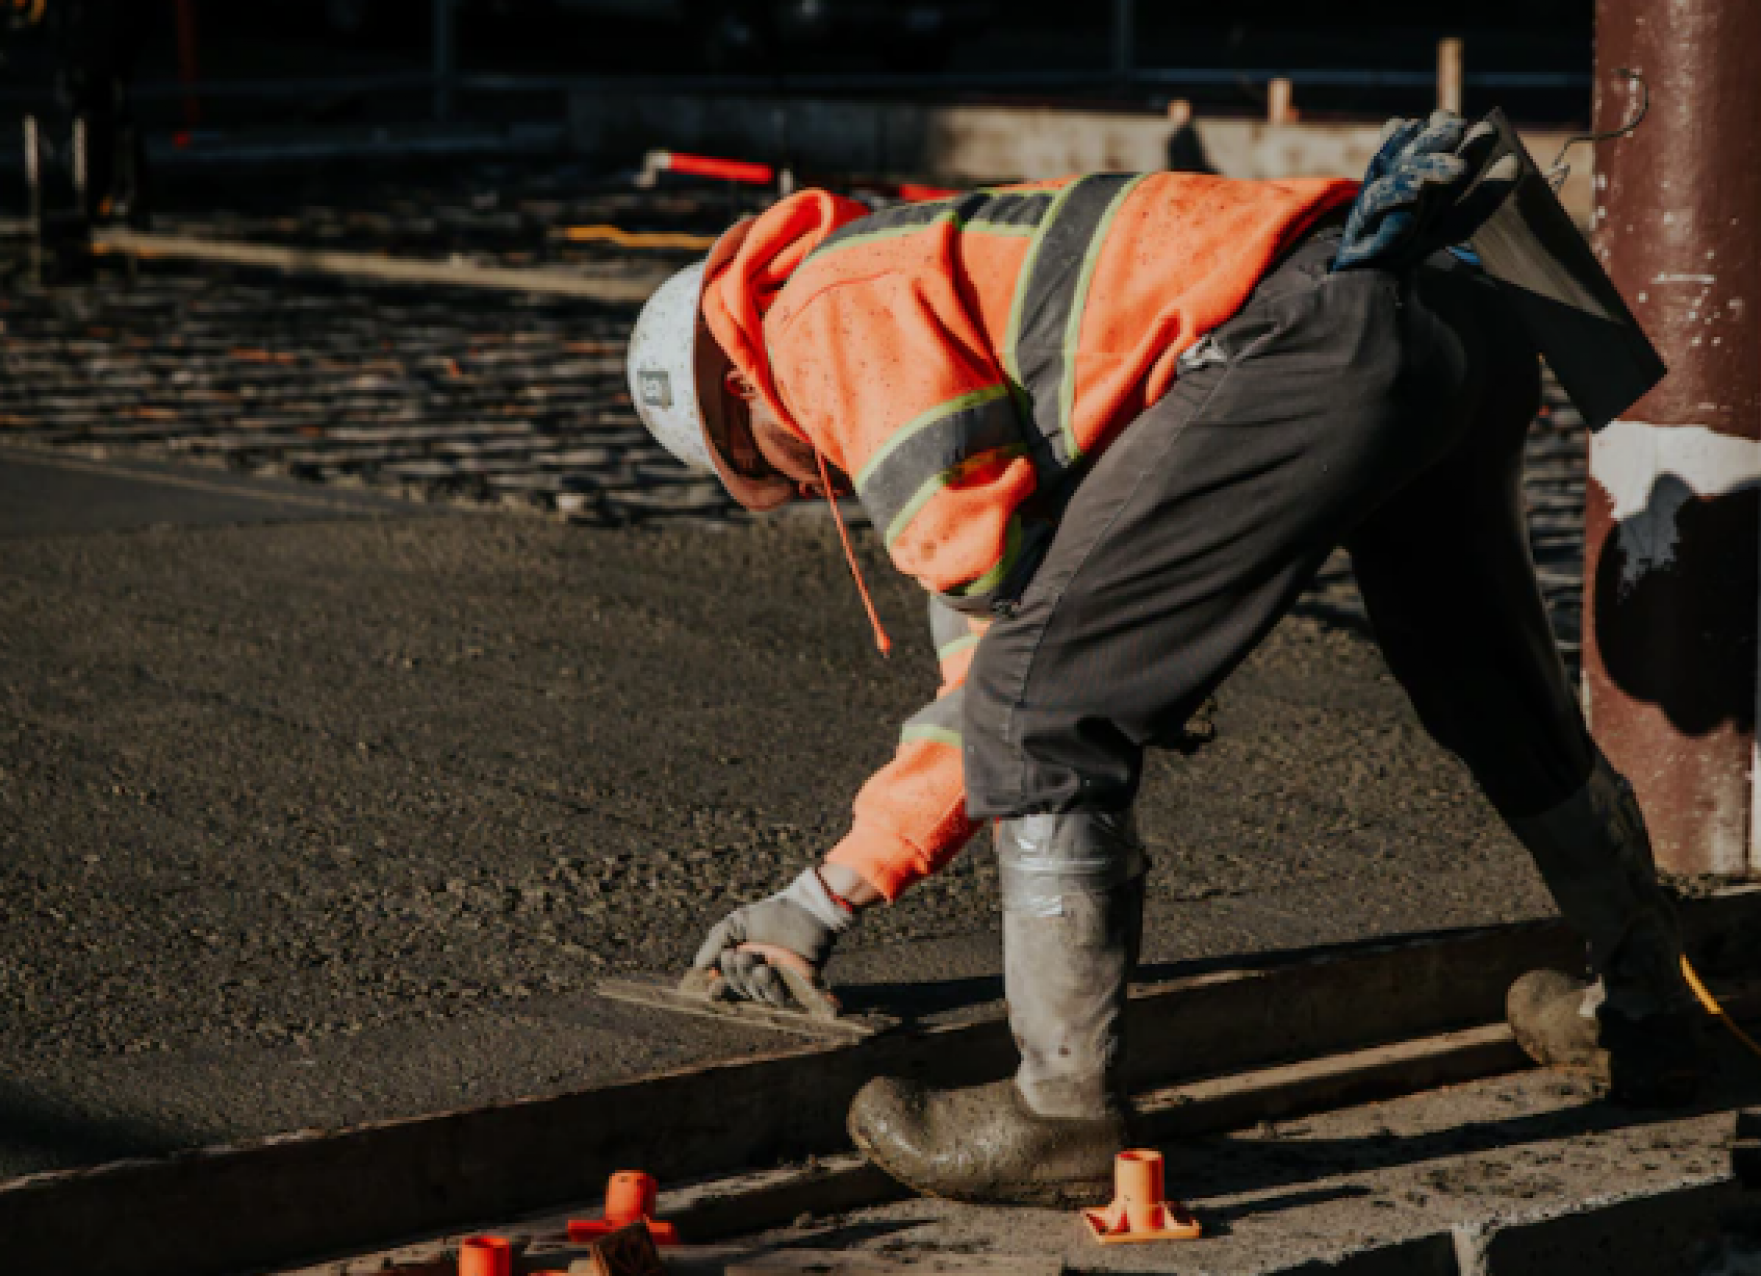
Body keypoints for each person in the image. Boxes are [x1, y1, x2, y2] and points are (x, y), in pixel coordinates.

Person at [625, 113, 1705, 1207]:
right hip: (1446, 307)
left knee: (1041, 711)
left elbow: (1008, 674)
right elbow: (1011, 628)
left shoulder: (824, 324)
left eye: (770, 471)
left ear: (740, 393)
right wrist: (825, 899)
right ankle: (1649, 999)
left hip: (1316, 328)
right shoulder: (921, 274)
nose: (811, 487)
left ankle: (1059, 1112)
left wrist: (820, 898)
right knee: (1490, 687)